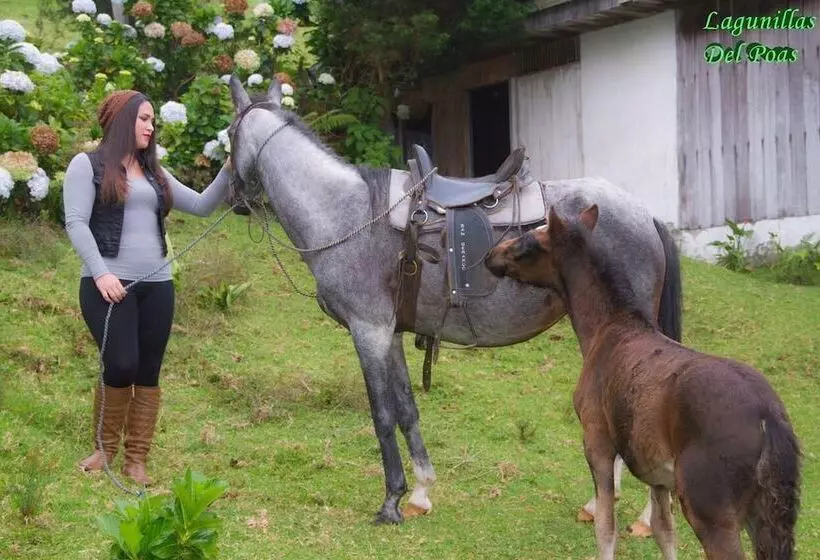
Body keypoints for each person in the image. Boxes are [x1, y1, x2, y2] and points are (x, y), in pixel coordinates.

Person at [63, 89, 232, 486]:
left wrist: (231, 164)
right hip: (106, 285)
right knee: (121, 364)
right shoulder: (86, 165)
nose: (150, 126)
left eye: (152, 120)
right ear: (122, 120)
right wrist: (102, 273)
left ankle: (136, 459)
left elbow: (204, 205)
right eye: (143, 119)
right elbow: (75, 222)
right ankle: (104, 449)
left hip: (158, 285)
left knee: (148, 370)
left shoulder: (154, 171)